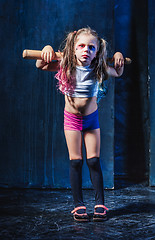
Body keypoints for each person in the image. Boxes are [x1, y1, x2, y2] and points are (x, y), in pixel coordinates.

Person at [36, 27, 124, 222]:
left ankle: (100, 203)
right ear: (73, 49)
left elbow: (118, 71)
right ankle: (79, 205)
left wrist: (118, 55)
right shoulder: (65, 66)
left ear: (98, 52)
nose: (86, 50)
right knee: (76, 161)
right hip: (72, 119)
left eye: (91, 47)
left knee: (93, 160)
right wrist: (46, 49)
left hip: (91, 120)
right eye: (81, 46)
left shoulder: (99, 68)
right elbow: (41, 65)